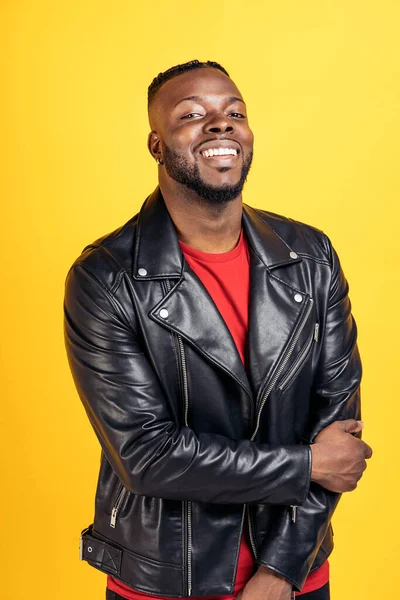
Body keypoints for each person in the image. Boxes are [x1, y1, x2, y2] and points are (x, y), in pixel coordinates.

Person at [64, 60, 372, 600]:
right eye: (192, 115)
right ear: (157, 146)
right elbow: (148, 456)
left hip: (299, 575)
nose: (220, 124)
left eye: (234, 112)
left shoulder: (310, 254)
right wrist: (306, 464)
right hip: (165, 579)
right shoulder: (105, 278)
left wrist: (279, 572)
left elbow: (339, 439)